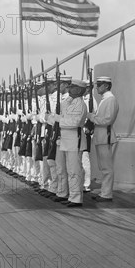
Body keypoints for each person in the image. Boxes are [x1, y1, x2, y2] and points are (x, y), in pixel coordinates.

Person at [47, 79, 88, 207]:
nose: (69, 89)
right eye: (69, 87)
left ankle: (76, 198)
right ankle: (64, 193)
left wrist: (58, 118)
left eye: (73, 87)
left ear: (79, 90)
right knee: (62, 169)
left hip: (74, 141)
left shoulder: (80, 104)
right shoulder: (68, 102)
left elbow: (73, 122)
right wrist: (51, 118)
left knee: (74, 171)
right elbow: (57, 119)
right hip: (64, 140)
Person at [87, 75, 119, 202]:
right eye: (97, 85)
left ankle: (107, 194)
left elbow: (108, 119)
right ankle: (104, 192)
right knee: (103, 167)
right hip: (101, 137)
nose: (97, 87)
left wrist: (92, 117)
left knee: (107, 167)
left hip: (106, 136)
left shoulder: (110, 100)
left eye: (99, 85)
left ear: (106, 86)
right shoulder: (104, 99)